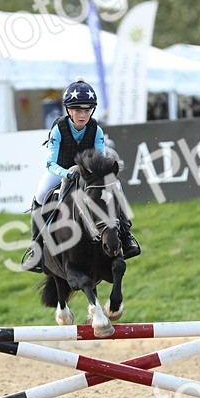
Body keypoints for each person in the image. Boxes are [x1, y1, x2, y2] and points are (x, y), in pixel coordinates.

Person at [20, 77, 139, 272]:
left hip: (87, 173)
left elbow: (99, 158)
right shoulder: (58, 130)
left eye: (87, 110)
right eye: (77, 110)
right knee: (40, 195)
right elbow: (50, 163)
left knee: (116, 187)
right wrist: (67, 173)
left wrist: (95, 173)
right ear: (68, 110)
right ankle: (37, 248)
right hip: (60, 170)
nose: (82, 115)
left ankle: (126, 237)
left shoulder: (96, 130)